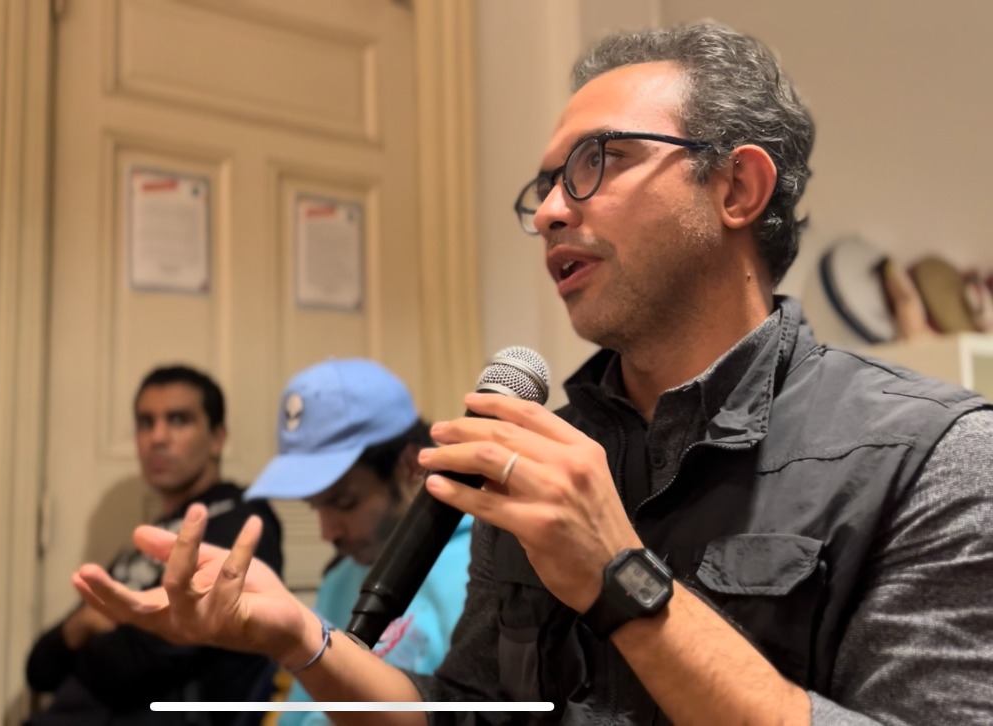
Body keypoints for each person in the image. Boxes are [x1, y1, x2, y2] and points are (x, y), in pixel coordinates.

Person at [70, 22, 993, 726]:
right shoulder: (537, 454)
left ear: (737, 189)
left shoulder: (934, 457)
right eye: (545, 185)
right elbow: (469, 711)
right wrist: (301, 639)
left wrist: (620, 579)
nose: (551, 210)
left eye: (600, 162)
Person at [25, 365, 284, 726]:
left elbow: (151, 656)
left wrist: (96, 635)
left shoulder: (242, 522)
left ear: (217, 438)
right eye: (145, 422)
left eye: (178, 420)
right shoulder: (147, 541)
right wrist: (83, 624)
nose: (157, 437)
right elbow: (40, 669)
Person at [243, 359, 472, 725]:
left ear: (410, 466)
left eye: (344, 502)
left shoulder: (483, 568)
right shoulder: (338, 581)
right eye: (315, 506)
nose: (327, 532)